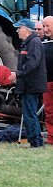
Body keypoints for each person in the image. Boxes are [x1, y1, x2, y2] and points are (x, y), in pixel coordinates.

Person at [13, 18, 46, 147]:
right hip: (27, 85)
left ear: (25, 29)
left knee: (30, 115)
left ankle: (36, 143)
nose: (17, 31)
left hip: (31, 86)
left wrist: (18, 74)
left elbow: (33, 63)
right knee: (29, 115)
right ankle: (35, 142)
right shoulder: (28, 43)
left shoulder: (34, 42)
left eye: (19, 28)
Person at [42, 16, 53, 145]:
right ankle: (51, 139)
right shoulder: (43, 44)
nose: (45, 29)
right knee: (50, 113)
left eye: (47, 26)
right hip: (47, 83)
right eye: (43, 27)